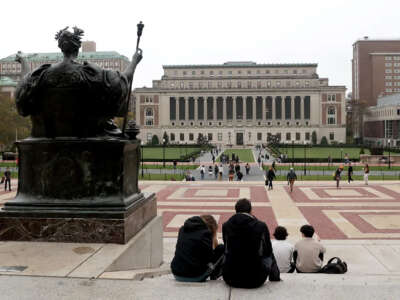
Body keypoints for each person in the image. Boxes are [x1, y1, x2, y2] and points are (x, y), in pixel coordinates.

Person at [222, 199, 280, 288]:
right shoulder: (261, 226)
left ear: (236, 210)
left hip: (230, 278)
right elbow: (268, 251)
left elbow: (226, 246)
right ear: (250, 210)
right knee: (269, 253)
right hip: (256, 279)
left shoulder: (226, 225)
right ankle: (275, 276)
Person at [171, 215, 225, 282]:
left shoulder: (183, 229)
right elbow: (208, 259)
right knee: (221, 248)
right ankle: (214, 275)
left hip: (176, 273)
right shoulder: (206, 233)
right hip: (195, 276)